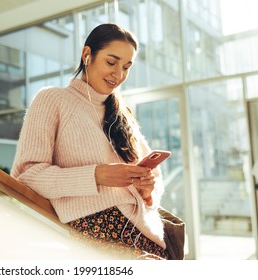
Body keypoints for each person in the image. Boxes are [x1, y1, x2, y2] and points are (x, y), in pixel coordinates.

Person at [11, 23, 167, 259]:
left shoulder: (124, 116)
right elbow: (27, 176)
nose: (119, 75)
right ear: (87, 55)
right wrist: (97, 175)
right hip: (99, 235)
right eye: (111, 62)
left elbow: (155, 183)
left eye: (126, 67)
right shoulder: (53, 100)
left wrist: (147, 191)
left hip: (150, 237)